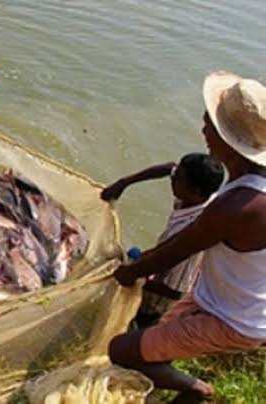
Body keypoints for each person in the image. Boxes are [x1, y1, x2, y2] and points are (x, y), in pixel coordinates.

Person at [109, 72, 266, 403]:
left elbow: (175, 253)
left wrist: (127, 272)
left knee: (121, 349)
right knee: (156, 350)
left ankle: (199, 389)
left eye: (211, 122)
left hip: (233, 319)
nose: (203, 128)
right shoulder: (246, 184)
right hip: (215, 297)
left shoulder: (236, 206)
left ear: (229, 142)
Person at [101, 153, 225, 328]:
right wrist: (124, 182)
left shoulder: (191, 233)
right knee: (132, 256)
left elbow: (174, 291)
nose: (172, 179)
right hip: (160, 264)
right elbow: (169, 168)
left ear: (195, 191)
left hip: (161, 295)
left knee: (136, 322)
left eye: (178, 179)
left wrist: (136, 277)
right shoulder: (199, 196)